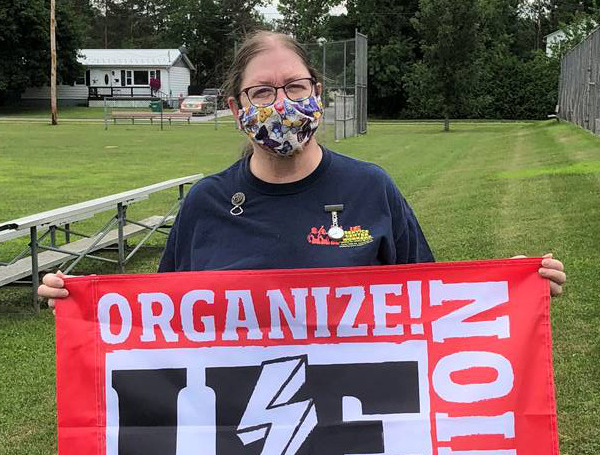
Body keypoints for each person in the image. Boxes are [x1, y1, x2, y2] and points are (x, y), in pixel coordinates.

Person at [38, 30, 566, 308]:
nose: (281, 103)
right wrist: (82, 303)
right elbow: (155, 326)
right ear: (236, 105)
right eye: (262, 92)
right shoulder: (206, 204)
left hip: (356, 429)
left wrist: (508, 290)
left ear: (317, 92)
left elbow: (429, 302)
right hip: (237, 440)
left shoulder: (371, 189)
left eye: (294, 87)